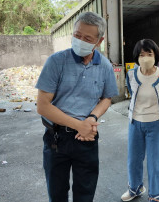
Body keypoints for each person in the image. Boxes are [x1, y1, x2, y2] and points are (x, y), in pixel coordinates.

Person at [36, 11, 118, 202]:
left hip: (87, 138)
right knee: (57, 193)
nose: (80, 40)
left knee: (85, 193)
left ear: (99, 41)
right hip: (57, 138)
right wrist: (78, 125)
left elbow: (107, 98)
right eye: (77, 35)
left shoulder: (104, 66)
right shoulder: (56, 61)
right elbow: (43, 106)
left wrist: (92, 118)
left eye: (87, 38)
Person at [121, 39, 159, 202]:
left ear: (155, 55)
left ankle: (157, 195)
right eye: (141, 55)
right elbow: (132, 92)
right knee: (134, 159)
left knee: (156, 162)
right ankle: (135, 188)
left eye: (149, 54)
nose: (145, 58)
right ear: (136, 57)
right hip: (135, 122)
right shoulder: (131, 75)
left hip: (156, 124)